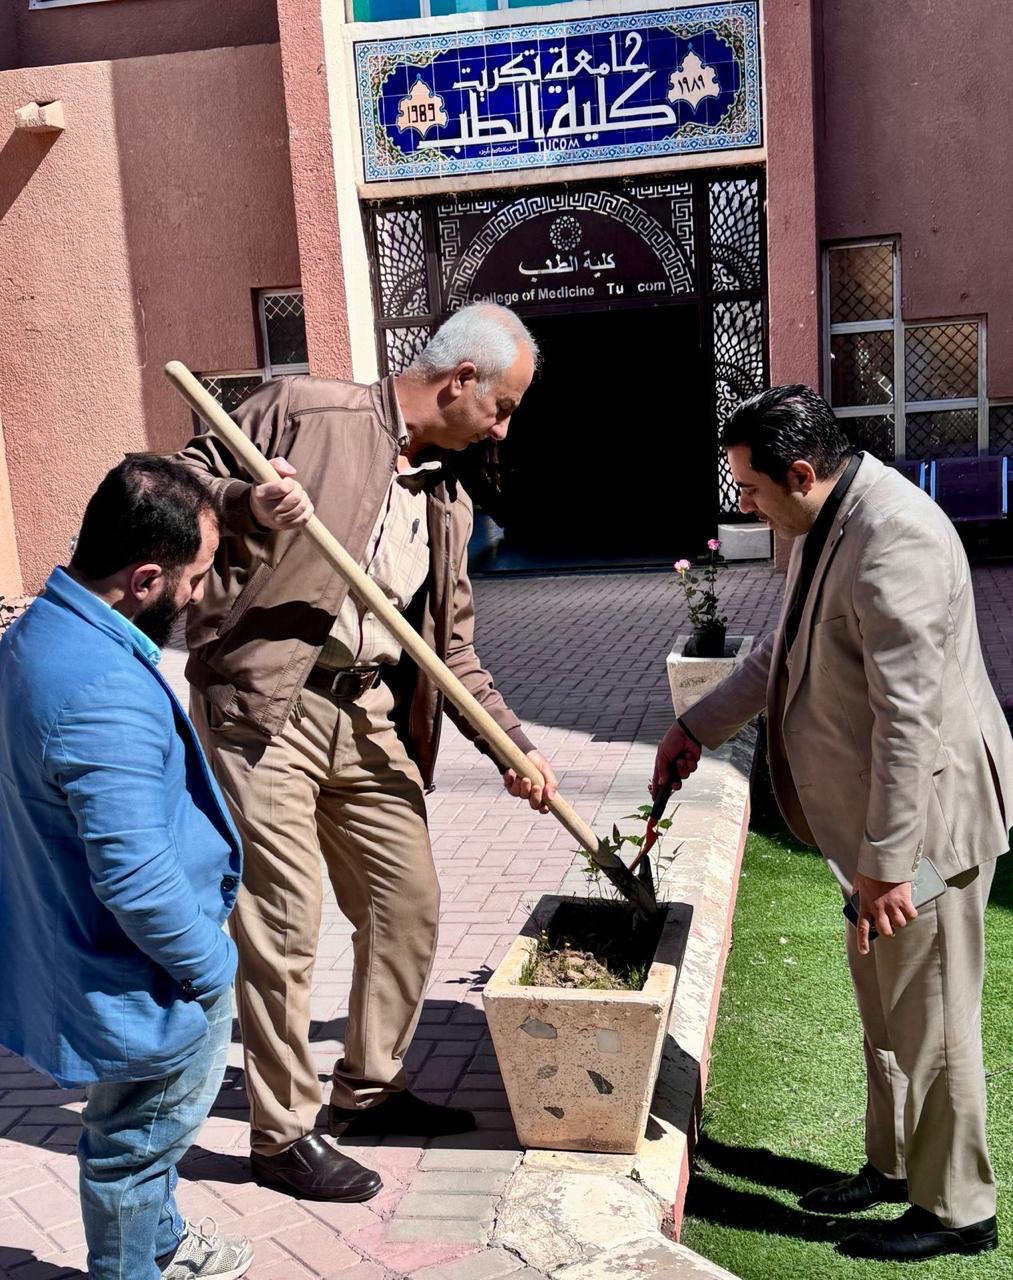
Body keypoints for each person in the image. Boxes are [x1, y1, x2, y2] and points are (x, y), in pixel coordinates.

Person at [177, 302, 559, 1202]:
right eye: (501, 407)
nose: (501, 429)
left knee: (406, 902)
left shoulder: (446, 501)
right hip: (265, 707)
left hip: (370, 713)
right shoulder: (304, 410)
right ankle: (281, 1134)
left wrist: (511, 745)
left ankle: (368, 1089)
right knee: (282, 923)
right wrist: (245, 502)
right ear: (460, 381)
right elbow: (172, 482)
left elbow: (450, 650)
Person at [653, 386, 1013, 1262]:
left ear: (800, 473)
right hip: (873, 832)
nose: (744, 504)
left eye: (749, 488)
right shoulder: (825, 520)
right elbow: (779, 657)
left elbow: (909, 723)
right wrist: (694, 726)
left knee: (930, 1019)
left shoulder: (895, 539)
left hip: (927, 833)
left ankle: (957, 1211)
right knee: (884, 1010)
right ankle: (892, 1170)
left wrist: (887, 864)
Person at [0, 457, 253, 1280]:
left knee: (137, 1132)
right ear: (146, 579)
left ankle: (164, 1244)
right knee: (134, 1147)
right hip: (144, 973)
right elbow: (136, 880)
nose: (201, 594)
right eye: (196, 576)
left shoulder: (41, 633)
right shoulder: (103, 687)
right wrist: (211, 970)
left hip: (98, 952)